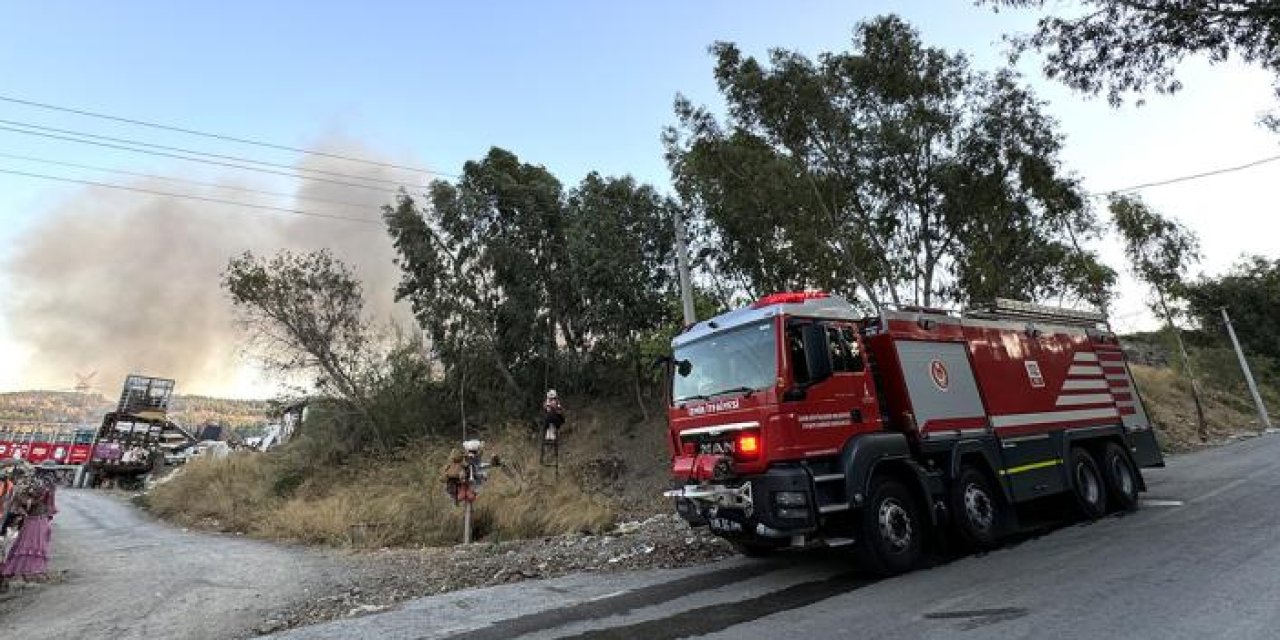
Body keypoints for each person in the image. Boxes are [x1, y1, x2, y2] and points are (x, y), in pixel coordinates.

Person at [2, 464, 58, 584]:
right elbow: (48, 506)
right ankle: (29, 571)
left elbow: (33, 502)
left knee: (29, 543)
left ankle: (25, 571)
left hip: (35, 518)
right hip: (38, 518)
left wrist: (25, 502)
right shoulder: (46, 485)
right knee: (33, 543)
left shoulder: (42, 485)